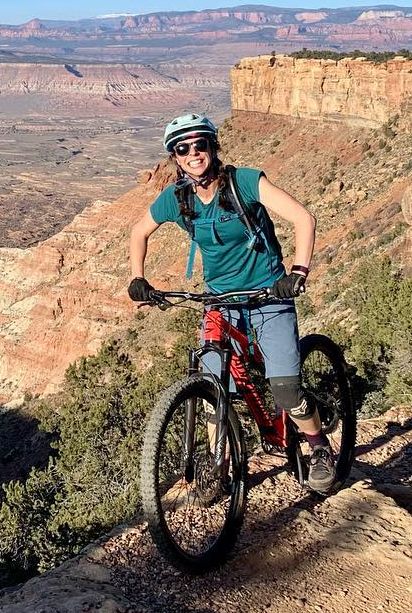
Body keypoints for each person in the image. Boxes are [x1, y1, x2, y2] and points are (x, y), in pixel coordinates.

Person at [128, 113, 335, 492]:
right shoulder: (176, 198)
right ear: (175, 157)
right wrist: (138, 278)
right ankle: (218, 466)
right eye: (183, 148)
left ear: (213, 146)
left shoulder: (245, 182)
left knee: (286, 391)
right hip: (219, 301)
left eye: (200, 144)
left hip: (269, 294)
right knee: (212, 389)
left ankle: (319, 446)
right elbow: (138, 231)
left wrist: (298, 273)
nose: (193, 153)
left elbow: (303, 218)